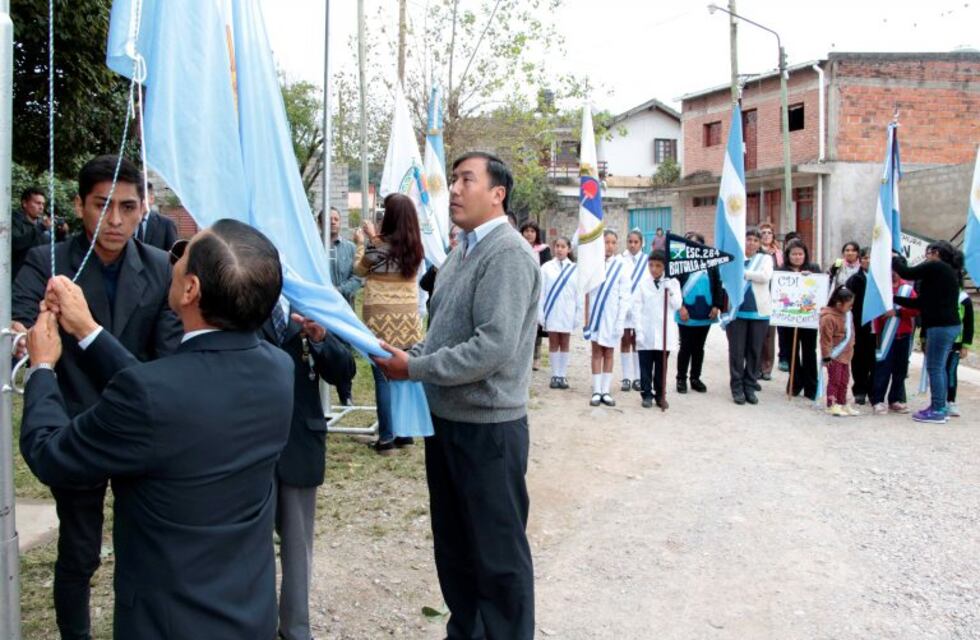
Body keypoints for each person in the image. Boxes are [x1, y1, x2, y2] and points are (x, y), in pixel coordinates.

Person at [21, 219, 294, 639]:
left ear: (190, 291)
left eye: (180, 255)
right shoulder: (279, 369)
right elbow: (171, 398)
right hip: (247, 611)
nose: (172, 259)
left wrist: (41, 367)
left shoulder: (153, 395)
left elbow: (50, 454)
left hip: (168, 620)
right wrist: (89, 331)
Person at [11, 155, 183, 640]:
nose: (115, 221)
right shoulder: (48, 261)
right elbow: (19, 326)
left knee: (147, 544)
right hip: (75, 422)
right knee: (80, 550)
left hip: (140, 428)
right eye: (102, 205)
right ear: (79, 204)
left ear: (144, 208)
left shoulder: (158, 266)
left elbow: (168, 356)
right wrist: (26, 336)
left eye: (128, 207)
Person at [372, 151, 539, 640]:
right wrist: (409, 354)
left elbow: (493, 346)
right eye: (455, 180)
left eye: (468, 179)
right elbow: (444, 332)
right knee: (457, 551)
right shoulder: (462, 252)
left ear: (497, 193)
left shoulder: (506, 253)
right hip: (448, 423)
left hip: (488, 430)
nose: (457, 190)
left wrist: (417, 367)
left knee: (497, 558)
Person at [259, 296, 355, 640]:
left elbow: (345, 369)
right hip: (251, 443)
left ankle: (296, 628)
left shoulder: (312, 301)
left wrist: (320, 339)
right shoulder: (242, 299)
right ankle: (255, 624)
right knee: (251, 544)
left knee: (298, 545)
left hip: (299, 442)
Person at [353, 193, 425, 454]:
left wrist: (364, 241)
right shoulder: (417, 246)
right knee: (404, 374)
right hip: (408, 319)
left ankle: (386, 439)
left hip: (381, 318)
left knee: (383, 376)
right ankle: (405, 435)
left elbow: (359, 269)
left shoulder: (378, 245)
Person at [892, 242, 965, 424]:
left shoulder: (936, 266)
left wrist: (894, 259)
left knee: (935, 367)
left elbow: (907, 273)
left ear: (936, 253)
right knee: (939, 367)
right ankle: (941, 405)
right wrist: (893, 299)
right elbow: (921, 302)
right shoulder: (945, 272)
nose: (926, 256)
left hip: (941, 326)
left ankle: (938, 409)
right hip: (947, 325)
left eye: (928, 253)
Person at [726, 227, 773, 405]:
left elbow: (765, 276)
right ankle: (737, 387)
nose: (751, 243)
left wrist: (744, 274)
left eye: (755, 240)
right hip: (737, 312)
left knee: (755, 351)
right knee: (737, 352)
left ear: (759, 243)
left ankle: (750, 386)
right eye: (748, 239)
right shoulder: (735, 258)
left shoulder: (765, 259)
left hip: (759, 311)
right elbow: (727, 278)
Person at [584, 230, 630, 407]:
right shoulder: (593, 263)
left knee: (609, 353)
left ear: (616, 245)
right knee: (596, 352)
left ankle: (605, 390)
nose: (609, 246)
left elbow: (624, 295)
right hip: (596, 315)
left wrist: (620, 321)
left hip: (612, 315)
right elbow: (586, 292)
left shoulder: (622, 265)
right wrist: (586, 319)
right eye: (605, 242)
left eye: (612, 242)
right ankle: (596, 390)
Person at [675, 231, 723, 394]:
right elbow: (674, 288)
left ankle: (695, 378)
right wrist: (680, 307)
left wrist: (716, 305)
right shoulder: (679, 263)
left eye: (697, 243)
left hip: (706, 312)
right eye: (690, 243)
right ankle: (681, 379)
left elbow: (717, 284)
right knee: (686, 346)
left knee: (699, 347)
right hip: (686, 311)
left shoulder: (711, 263)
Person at [635, 250, 681, 409]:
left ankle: (660, 395)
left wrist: (671, 290)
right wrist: (639, 330)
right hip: (646, 331)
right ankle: (646, 393)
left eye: (658, 266)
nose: (654, 269)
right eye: (651, 265)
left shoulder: (673, 283)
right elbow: (637, 308)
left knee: (661, 366)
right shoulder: (642, 284)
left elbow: (677, 305)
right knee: (645, 365)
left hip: (663, 332)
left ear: (664, 267)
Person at [777, 239, 822, 400]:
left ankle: (811, 385)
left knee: (809, 351)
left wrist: (810, 278)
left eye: (800, 254)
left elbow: (819, 288)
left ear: (805, 255)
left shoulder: (814, 268)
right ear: (788, 255)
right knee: (791, 351)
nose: (797, 257)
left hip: (808, 318)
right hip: (788, 318)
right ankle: (795, 381)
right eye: (794, 254)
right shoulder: (781, 271)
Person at [327, 206, 362, 406]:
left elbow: (358, 277)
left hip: (343, 308)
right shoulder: (314, 247)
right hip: (320, 309)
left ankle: (345, 393)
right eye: (329, 219)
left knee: (343, 351)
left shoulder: (349, 248)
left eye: (336, 218)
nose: (333, 222)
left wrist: (340, 290)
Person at [870, 269, 918, 415]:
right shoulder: (882, 288)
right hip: (884, 334)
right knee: (882, 368)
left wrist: (899, 312)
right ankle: (877, 400)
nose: (893, 273)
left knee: (900, 369)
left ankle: (895, 399)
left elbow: (916, 309)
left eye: (896, 270)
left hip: (903, 333)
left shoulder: (908, 289)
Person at [539, 236, 579, 390]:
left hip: (568, 311)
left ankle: (562, 375)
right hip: (552, 310)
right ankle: (555, 375)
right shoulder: (546, 267)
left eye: (563, 246)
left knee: (565, 343)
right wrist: (540, 313)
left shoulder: (575, 269)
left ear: (569, 249)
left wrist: (578, 314)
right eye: (557, 246)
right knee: (554, 342)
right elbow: (541, 292)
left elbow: (578, 294)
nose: (560, 249)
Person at [820, 286, 858, 417]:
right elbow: (825, 339)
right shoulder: (828, 318)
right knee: (834, 380)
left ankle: (842, 403)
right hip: (834, 355)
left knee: (844, 381)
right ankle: (832, 404)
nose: (850, 308)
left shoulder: (847, 315)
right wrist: (826, 356)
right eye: (849, 305)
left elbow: (851, 333)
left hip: (846, 355)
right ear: (838, 304)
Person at [520, 220, 552, 370]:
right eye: (526, 231)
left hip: (538, 289)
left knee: (536, 324)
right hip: (521, 288)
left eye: (532, 231)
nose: (529, 234)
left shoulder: (543, 250)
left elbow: (547, 270)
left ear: (537, 234)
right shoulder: (517, 246)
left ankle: (536, 357)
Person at [619, 229, 647, 392]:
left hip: (640, 308)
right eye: (630, 242)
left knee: (638, 341)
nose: (633, 245)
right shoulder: (621, 260)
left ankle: (638, 377)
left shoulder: (647, 260)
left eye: (636, 242)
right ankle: (626, 377)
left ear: (641, 243)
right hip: (625, 306)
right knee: (625, 341)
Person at [758, 223, 783, 378]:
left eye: (769, 232)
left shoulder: (779, 254)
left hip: (774, 297)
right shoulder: (755, 252)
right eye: (763, 233)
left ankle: (767, 367)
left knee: (769, 335)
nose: (766, 235)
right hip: (758, 294)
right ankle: (755, 366)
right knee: (756, 333)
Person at [945, 285, 973, 418]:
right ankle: (938, 400)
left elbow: (969, 324)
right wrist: (924, 338)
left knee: (951, 372)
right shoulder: (939, 293)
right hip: (940, 339)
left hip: (956, 342)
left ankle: (951, 401)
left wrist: (965, 345)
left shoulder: (964, 299)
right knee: (938, 371)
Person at [12, 186, 52, 280]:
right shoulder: (14, 221)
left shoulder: (43, 224)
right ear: (25, 203)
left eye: (43, 204)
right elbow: (16, 243)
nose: (41, 207)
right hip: (19, 278)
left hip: (39, 277)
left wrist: (61, 234)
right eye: (38, 203)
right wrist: (41, 228)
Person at [135, 182, 179, 251]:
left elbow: (173, 255)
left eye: (143, 198)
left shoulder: (166, 224)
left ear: (151, 199)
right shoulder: (126, 221)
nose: (139, 202)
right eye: (136, 198)